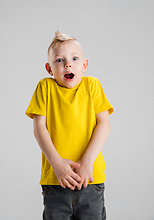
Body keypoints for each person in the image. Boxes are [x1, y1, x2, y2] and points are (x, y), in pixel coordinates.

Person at [25, 31, 114, 220]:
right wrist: (56, 163)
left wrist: (87, 162)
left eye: (74, 58)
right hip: (56, 182)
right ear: (49, 69)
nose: (68, 64)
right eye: (60, 60)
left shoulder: (92, 86)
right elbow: (39, 127)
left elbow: (104, 123)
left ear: (84, 65)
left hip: (90, 179)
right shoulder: (45, 88)